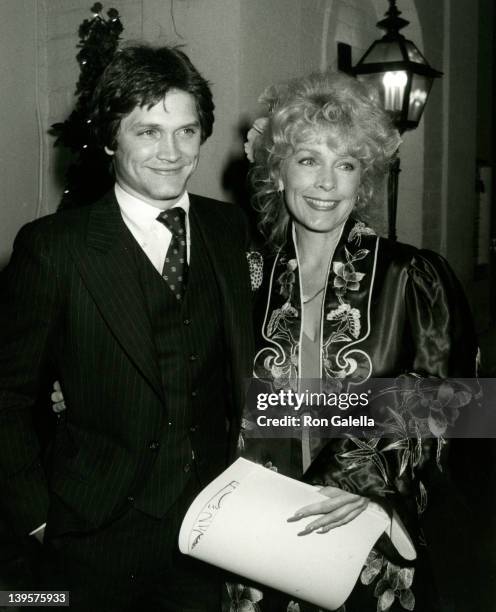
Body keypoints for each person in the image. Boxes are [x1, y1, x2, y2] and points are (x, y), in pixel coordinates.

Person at [0, 44, 254, 612]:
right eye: (148, 132)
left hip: (212, 535)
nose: (171, 152)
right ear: (111, 138)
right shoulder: (54, 248)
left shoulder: (231, 230)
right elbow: (7, 397)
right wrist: (38, 518)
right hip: (90, 538)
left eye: (186, 132)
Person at [231, 71, 478, 611]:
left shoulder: (413, 275)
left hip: (366, 536)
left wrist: (357, 476)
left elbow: (455, 400)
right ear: (278, 173)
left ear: (361, 182)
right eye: (308, 160)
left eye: (345, 165)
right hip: (253, 541)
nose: (326, 183)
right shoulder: (244, 279)